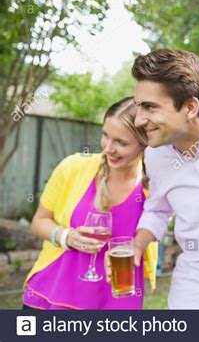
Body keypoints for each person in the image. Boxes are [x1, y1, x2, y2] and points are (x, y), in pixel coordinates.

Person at [105, 49, 199, 309]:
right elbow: (158, 209)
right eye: (139, 106)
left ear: (190, 106)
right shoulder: (155, 156)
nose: (139, 120)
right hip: (190, 291)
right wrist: (137, 246)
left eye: (150, 107)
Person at [23, 97, 157, 310]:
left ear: (145, 143)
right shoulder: (73, 167)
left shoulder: (155, 189)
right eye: (105, 136)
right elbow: (39, 221)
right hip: (53, 294)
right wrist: (66, 236)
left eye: (121, 142)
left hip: (118, 300)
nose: (108, 148)